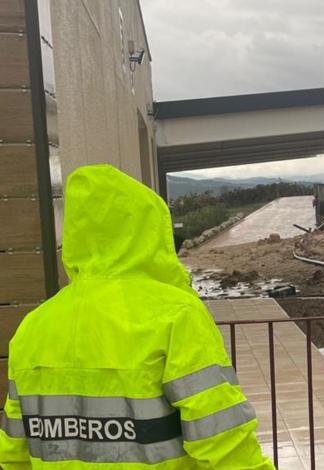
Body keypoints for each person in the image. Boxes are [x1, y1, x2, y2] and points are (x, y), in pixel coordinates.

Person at [0, 164, 275, 469]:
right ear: (148, 232)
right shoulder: (175, 315)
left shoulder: (34, 327)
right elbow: (224, 441)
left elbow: (13, 453)